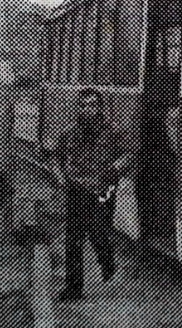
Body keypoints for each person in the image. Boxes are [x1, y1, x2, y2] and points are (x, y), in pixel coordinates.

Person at [52, 88, 124, 302]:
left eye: (92, 105)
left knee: (98, 233)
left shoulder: (113, 131)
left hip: (103, 189)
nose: (87, 110)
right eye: (83, 105)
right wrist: (61, 178)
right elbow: (56, 157)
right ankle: (74, 287)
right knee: (73, 239)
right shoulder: (69, 132)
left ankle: (107, 258)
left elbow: (129, 154)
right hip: (77, 190)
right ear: (78, 108)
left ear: (100, 107)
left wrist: (115, 170)